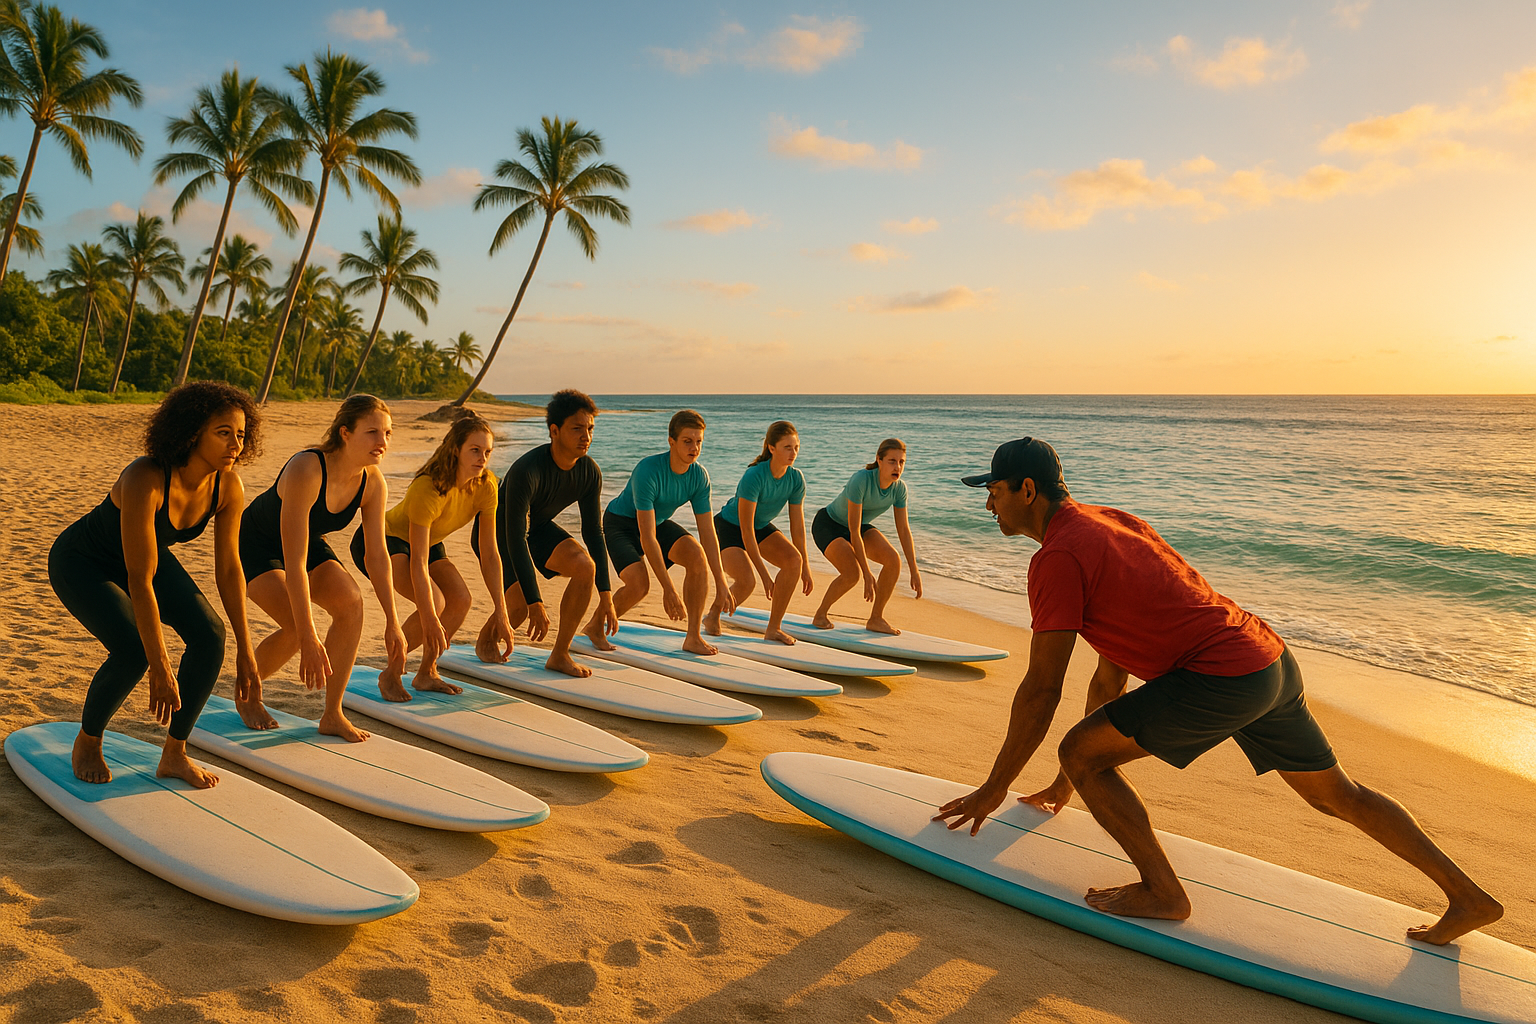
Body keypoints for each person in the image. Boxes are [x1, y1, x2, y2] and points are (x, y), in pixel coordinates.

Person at [934, 438, 1504, 945]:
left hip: (1221, 676)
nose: (989, 504)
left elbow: (1042, 688)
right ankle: (1468, 898)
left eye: (994, 491)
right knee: (1339, 795)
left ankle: (1163, 892)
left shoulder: (1057, 557)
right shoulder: (1111, 522)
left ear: (1027, 490)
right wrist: (1068, 783)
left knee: (1079, 751)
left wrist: (994, 788)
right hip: (1268, 661)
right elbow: (1110, 675)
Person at [48, 381, 263, 788]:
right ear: (192, 432)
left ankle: (175, 754)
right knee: (134, 649)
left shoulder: (227, 486)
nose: (235, 444)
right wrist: (161, 665)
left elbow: (230, 569)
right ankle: (88, 740)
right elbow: (140, 578)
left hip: (145, 557)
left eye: (240, 434)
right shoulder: (145, 476)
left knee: (210, 635)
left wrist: (246, 649)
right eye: (223, 433)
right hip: (83, 561)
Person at [237, 395, 406, 740]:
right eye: (372, 432)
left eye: (388, 433)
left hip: (307, 540)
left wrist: (393, 622)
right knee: (294, 627)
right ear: (345, 433)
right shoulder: (307, 468)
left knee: (351, 603)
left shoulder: (373, 483)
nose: (383, 441)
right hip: (258, 542)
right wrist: (309, 636)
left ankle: (332, 714)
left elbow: (377, 556)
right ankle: (247, 694)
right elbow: (295, 564)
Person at [350, 412, 514, 701]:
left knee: (461, 600)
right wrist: (428, 616)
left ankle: (427, 672)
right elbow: (418, 563)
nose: (482, 458)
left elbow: (489, 553)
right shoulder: (429, 487)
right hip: (382, 539)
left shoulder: (487, 486)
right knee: (434, 603)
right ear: (456, 450)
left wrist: (501, 611)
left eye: (487, 452)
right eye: (475, 450)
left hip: (428, 541)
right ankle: (391, 673)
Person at [469, 389, 617, 677]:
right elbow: (515, 538)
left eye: (590, 429)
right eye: (577, 429)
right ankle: (485, 640)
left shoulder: (589, 472)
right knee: (519, 609)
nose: (586, 436)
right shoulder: (527, 470)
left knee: (585, 567)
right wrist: (535, 601)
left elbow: (593, 532)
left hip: (536, 529)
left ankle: (560, 654)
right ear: (554, 431)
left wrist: (606, 593)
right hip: (498, 533)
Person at [586, 409, 733, 656]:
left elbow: (708, 533)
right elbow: (647, 537)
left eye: (699, 441)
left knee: (697, 556)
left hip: (657, 521)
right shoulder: (648, 471)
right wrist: (668, 588)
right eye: (687, 441)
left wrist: (721, 581)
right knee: (639, 585)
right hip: (621, 523)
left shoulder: (699, 477)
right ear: (671, 442)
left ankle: (693, 637)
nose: (694, 448)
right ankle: (594, 626)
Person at [702, 420, 813, 645]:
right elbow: (746, 530)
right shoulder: (754, 476)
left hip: (760, 526)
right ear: (771, 448)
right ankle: (713, 615)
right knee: (747, 582)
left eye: (796, 447)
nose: (793, 453)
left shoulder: (795, 479)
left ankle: (774, 629)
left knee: (794, 560)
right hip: (728, 528)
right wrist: (765, 575)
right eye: (787, 447)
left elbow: (797, 528)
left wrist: (806, 567)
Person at [809, 438, 922, 634]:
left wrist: (914, 569)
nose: (897, 467)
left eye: (901, 462)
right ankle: (820, 614)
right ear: (879, 460)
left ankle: (876, 619)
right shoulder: (861, 480)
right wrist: (867, 573)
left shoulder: (899, 489)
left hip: (858, 526)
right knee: (852, 574)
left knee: (893, 560)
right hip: (829, 525)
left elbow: (904, 530)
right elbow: (853, 531)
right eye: (892, 461)